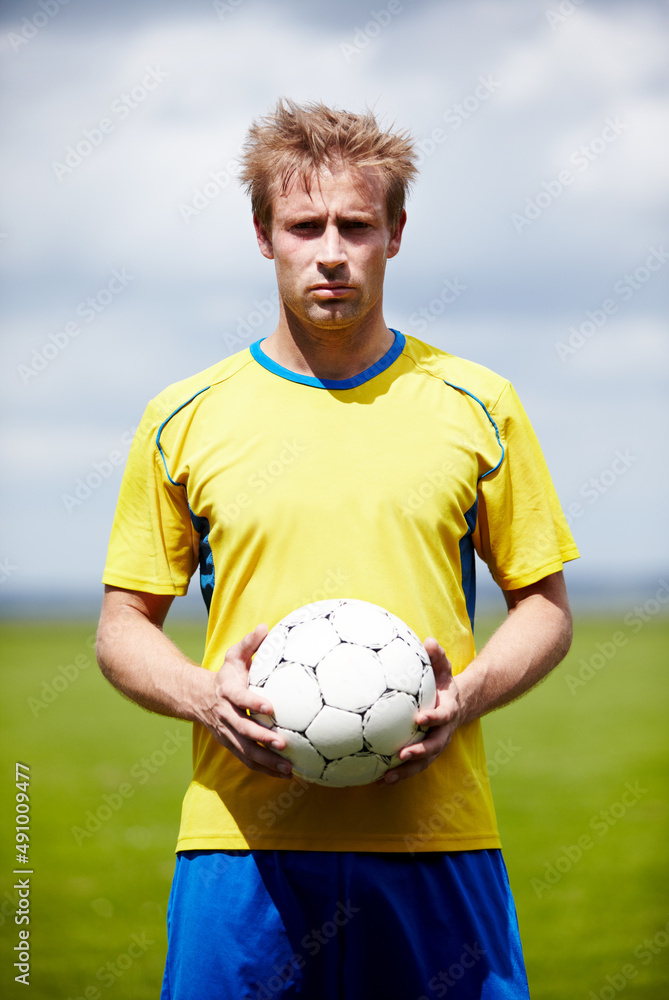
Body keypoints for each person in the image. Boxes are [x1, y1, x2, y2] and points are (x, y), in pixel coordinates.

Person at [96, 99, 579, 1000]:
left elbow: (543, 607)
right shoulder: (182, 415)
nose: (329, 251)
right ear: (261, 234)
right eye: (303, 225)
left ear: (394, 233)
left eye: (355, 225)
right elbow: (121, 627)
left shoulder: (477, 403)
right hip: (239, 845)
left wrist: (462, 696)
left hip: (436, 836)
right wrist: (207, 698)